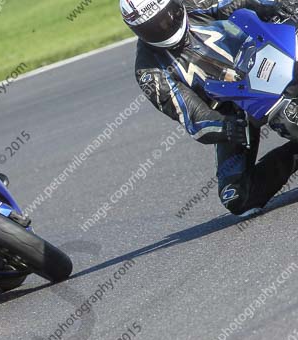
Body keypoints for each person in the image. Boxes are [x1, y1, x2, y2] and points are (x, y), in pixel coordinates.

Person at [122, 0, 298, 216]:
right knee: (237, 197)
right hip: (231, 108)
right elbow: (194, 116)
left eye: (170, 15)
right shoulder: (149, 73)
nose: (166, 26)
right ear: (137, 31)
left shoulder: (194, 4)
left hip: (267, 56)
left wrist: (269, 6)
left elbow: (238, 1)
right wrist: (225, 126)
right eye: (153, 27)